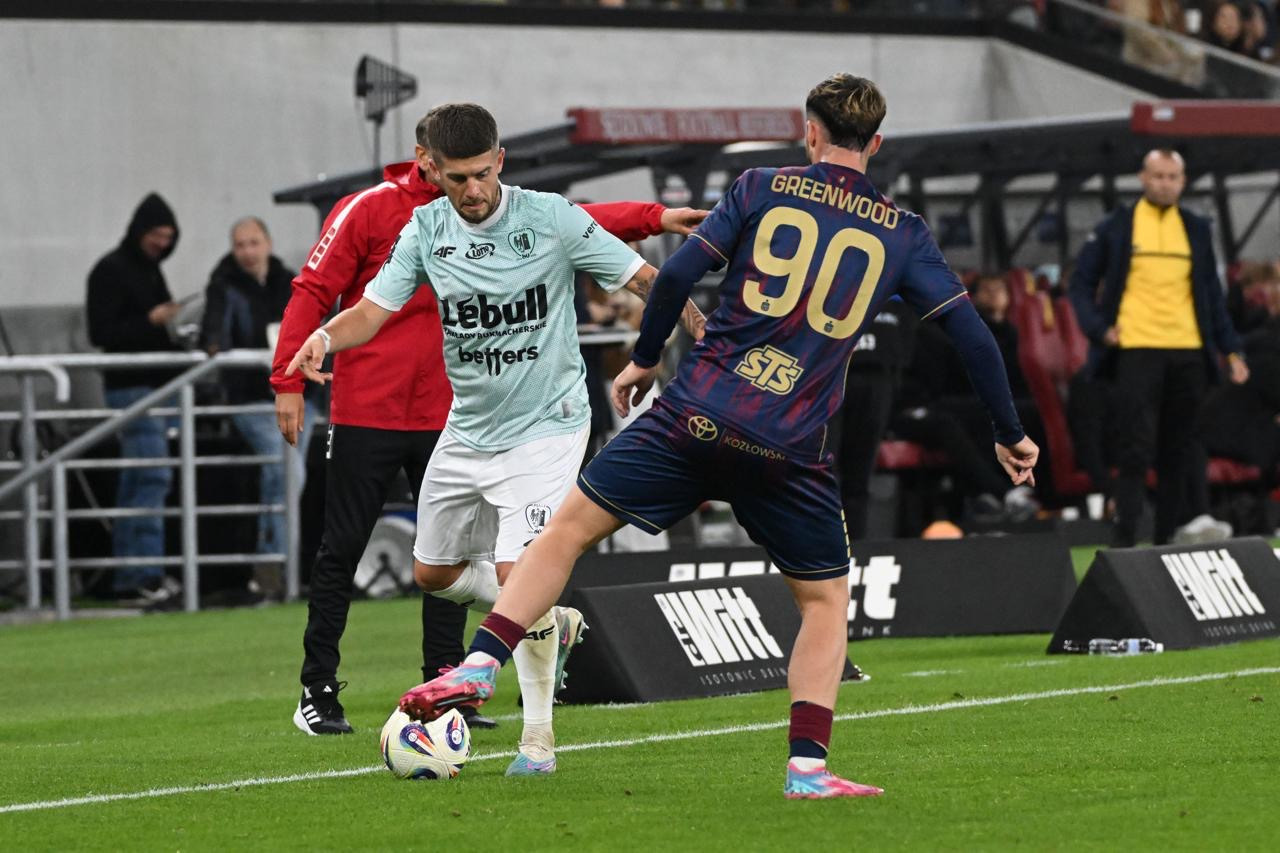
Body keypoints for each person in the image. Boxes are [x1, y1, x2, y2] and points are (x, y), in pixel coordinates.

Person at [393, 75, 1038, 799]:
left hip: (693, 414)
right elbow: (973, 337)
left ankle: (482, 662)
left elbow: (675, 278)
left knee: (566, 531)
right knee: (825, 602)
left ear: (811, 133)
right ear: (877, 143)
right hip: (787, 445)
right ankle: (807, 769)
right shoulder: (904, 231)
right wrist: (1009, 432)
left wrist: (644, 358)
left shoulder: (761, 187)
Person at [286, 103, 704, 772]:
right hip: (469, 426)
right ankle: (546, 615)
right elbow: (370, 311)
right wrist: (323, 338)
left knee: (519, 569)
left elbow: (644, 277)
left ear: (500, 161)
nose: (473, 190)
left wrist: (683, 323)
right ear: (432, 170)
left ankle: (537, 742)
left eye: (482, 173)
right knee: (433, 574)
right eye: (457, 178)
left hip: (548, 424)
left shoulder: (549, 217)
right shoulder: (425, 229)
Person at [1069, 149, 1249, 546]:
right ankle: (1125, 541)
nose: (1165, 184)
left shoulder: (1196, 228)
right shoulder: (1118, 226)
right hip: (1137, 348)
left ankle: (1166, 541)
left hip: (1188, 350)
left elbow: (1212, 297)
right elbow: (1080, 283)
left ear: (1183, 182)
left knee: (1178, 449)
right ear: (1142, 178)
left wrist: (1232, 350)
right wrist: (1098, 329)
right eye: (1158, 176)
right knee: (1135, 447)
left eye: (1172, 177)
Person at [202, 217, 317, 587]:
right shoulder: (223, 285)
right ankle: (276, 563)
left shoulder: (290, 281)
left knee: (287, 476)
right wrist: (215, 345)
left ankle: (277, 564)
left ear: (268, 243)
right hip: (251, 397)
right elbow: (213, 334)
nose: (248, 251)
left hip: (297, 395)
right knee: (289, 472)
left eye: (253, 243)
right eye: (240, 245)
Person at [86, 192, 184, 604]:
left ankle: (134, 574)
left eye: (168, 236)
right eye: (157, 234)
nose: (162, 243)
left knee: (139, 480)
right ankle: (142, 573)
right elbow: (101, 333)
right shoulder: (111, 270)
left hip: (155, 389)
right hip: (132, 388)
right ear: (141, 231)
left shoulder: (149, 270)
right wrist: (151, 320)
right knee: (150, 477)